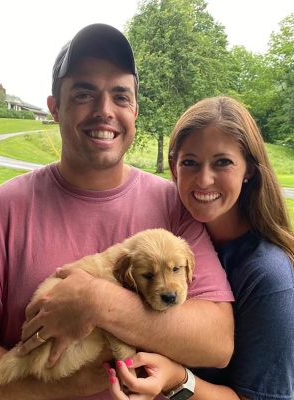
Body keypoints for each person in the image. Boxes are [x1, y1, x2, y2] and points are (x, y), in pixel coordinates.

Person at [0, 25, 234, 400]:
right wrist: (78, 385)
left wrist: (99, 302)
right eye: (84, 93)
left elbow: (217, 342)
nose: (104, 111)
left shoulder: (174, 205)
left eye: (120, 96)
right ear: (55, 108)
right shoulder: (1, 209)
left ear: (135, 110)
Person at [107, 96, 294, 400]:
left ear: (248, 169)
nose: (204, 179)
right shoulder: (165, 240)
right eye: (190, 163)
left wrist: (179, 380)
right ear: (174, 167)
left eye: (223, 162)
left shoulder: (268, 274)